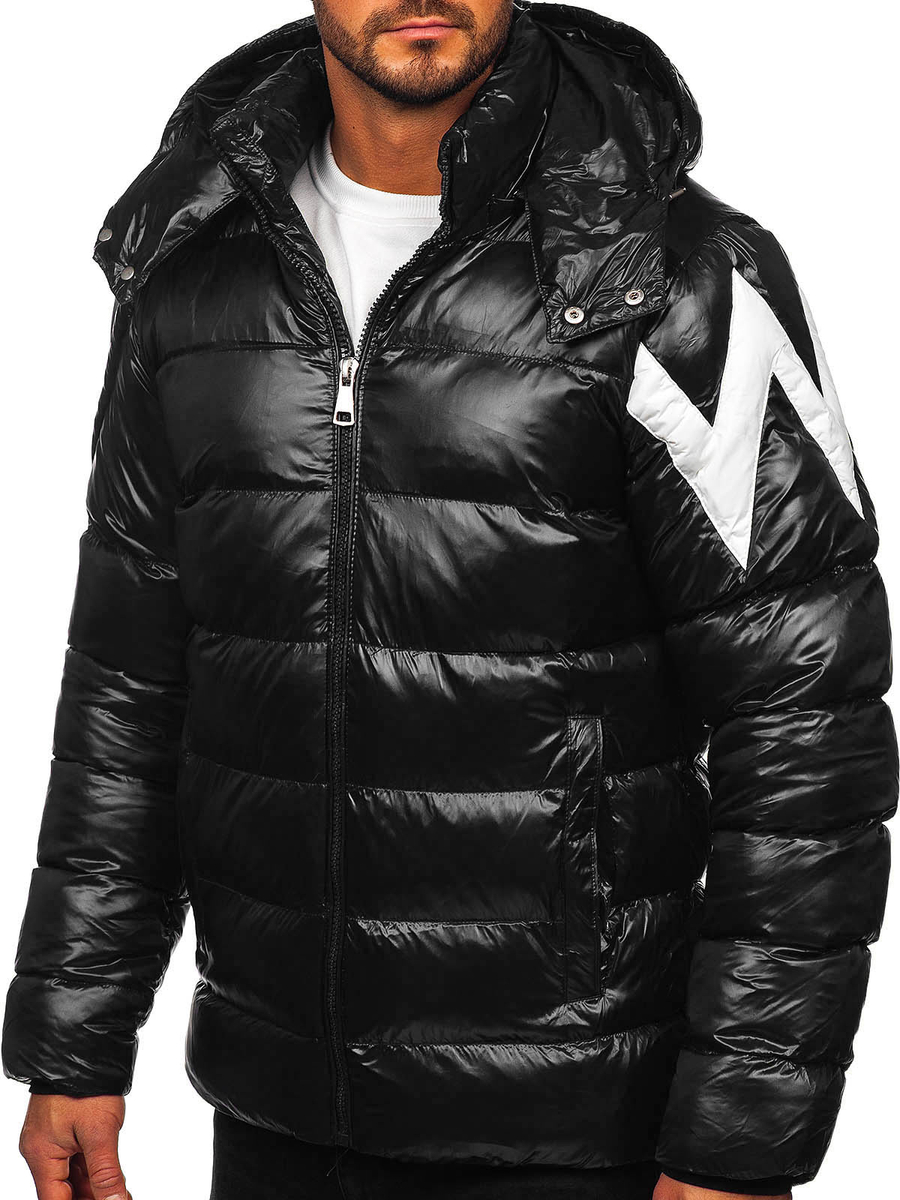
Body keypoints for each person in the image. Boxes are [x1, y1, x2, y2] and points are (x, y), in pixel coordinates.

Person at [3, 2, 896, 1198]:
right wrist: (75, 1036)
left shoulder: (669, 272)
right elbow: (130, 681)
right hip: (278, 1109)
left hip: (578, 1125)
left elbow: (804, 728)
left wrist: (740, 1135)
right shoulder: (191, 265)